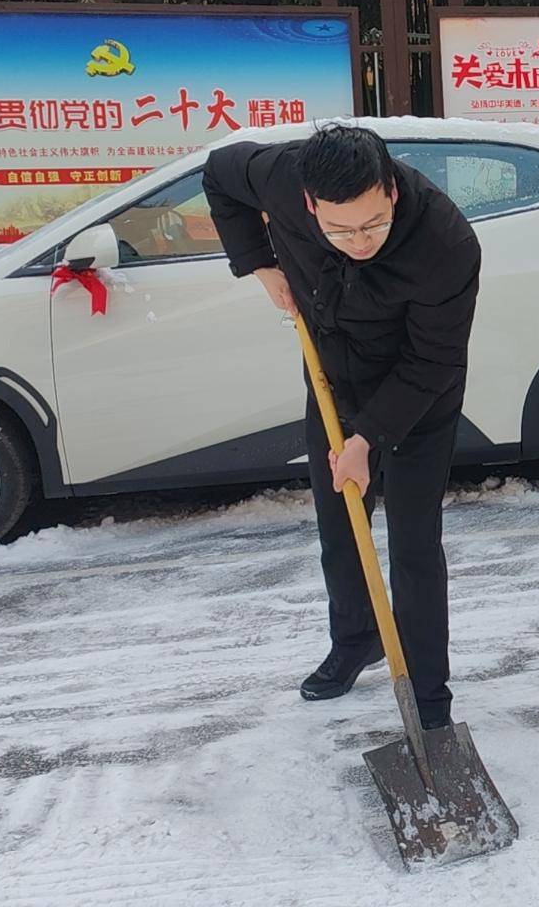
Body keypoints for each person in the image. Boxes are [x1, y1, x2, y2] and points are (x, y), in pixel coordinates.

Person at [203, 123, 480, 723]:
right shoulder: (280, 177)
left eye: (374, 223)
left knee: (412, 543)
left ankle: (429, 698)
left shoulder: (445, 241)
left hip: (417, 398)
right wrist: (258, 263)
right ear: (307, 203)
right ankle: (356, 640)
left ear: (391, 191)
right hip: (333, 384)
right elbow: (220, 174)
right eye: (340, 229)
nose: (360, 241)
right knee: (340, 526)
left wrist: (367, 440)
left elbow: (433, 360)